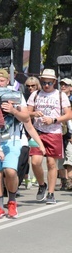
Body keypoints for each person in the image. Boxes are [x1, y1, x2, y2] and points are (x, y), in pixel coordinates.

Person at [0, 69, 30, 219]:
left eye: (2, 81)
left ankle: (12, 202)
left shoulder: (16, 96)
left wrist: (13, 111)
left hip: (11, 140)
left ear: (8, 81)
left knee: (10, 172)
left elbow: (26, 117)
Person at [27, 68, 72, 204]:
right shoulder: (35, 94)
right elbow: (27, 112)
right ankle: (42, 185)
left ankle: (51, 193)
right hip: (38, 132)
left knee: (51, 163)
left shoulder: (60, 95)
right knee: (35, 162)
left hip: (54, 132)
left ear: (54, 82)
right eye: (44, 82)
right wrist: (34, 114)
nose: (47, 85)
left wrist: (53, 120)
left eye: (49, 83)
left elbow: (69, 114)